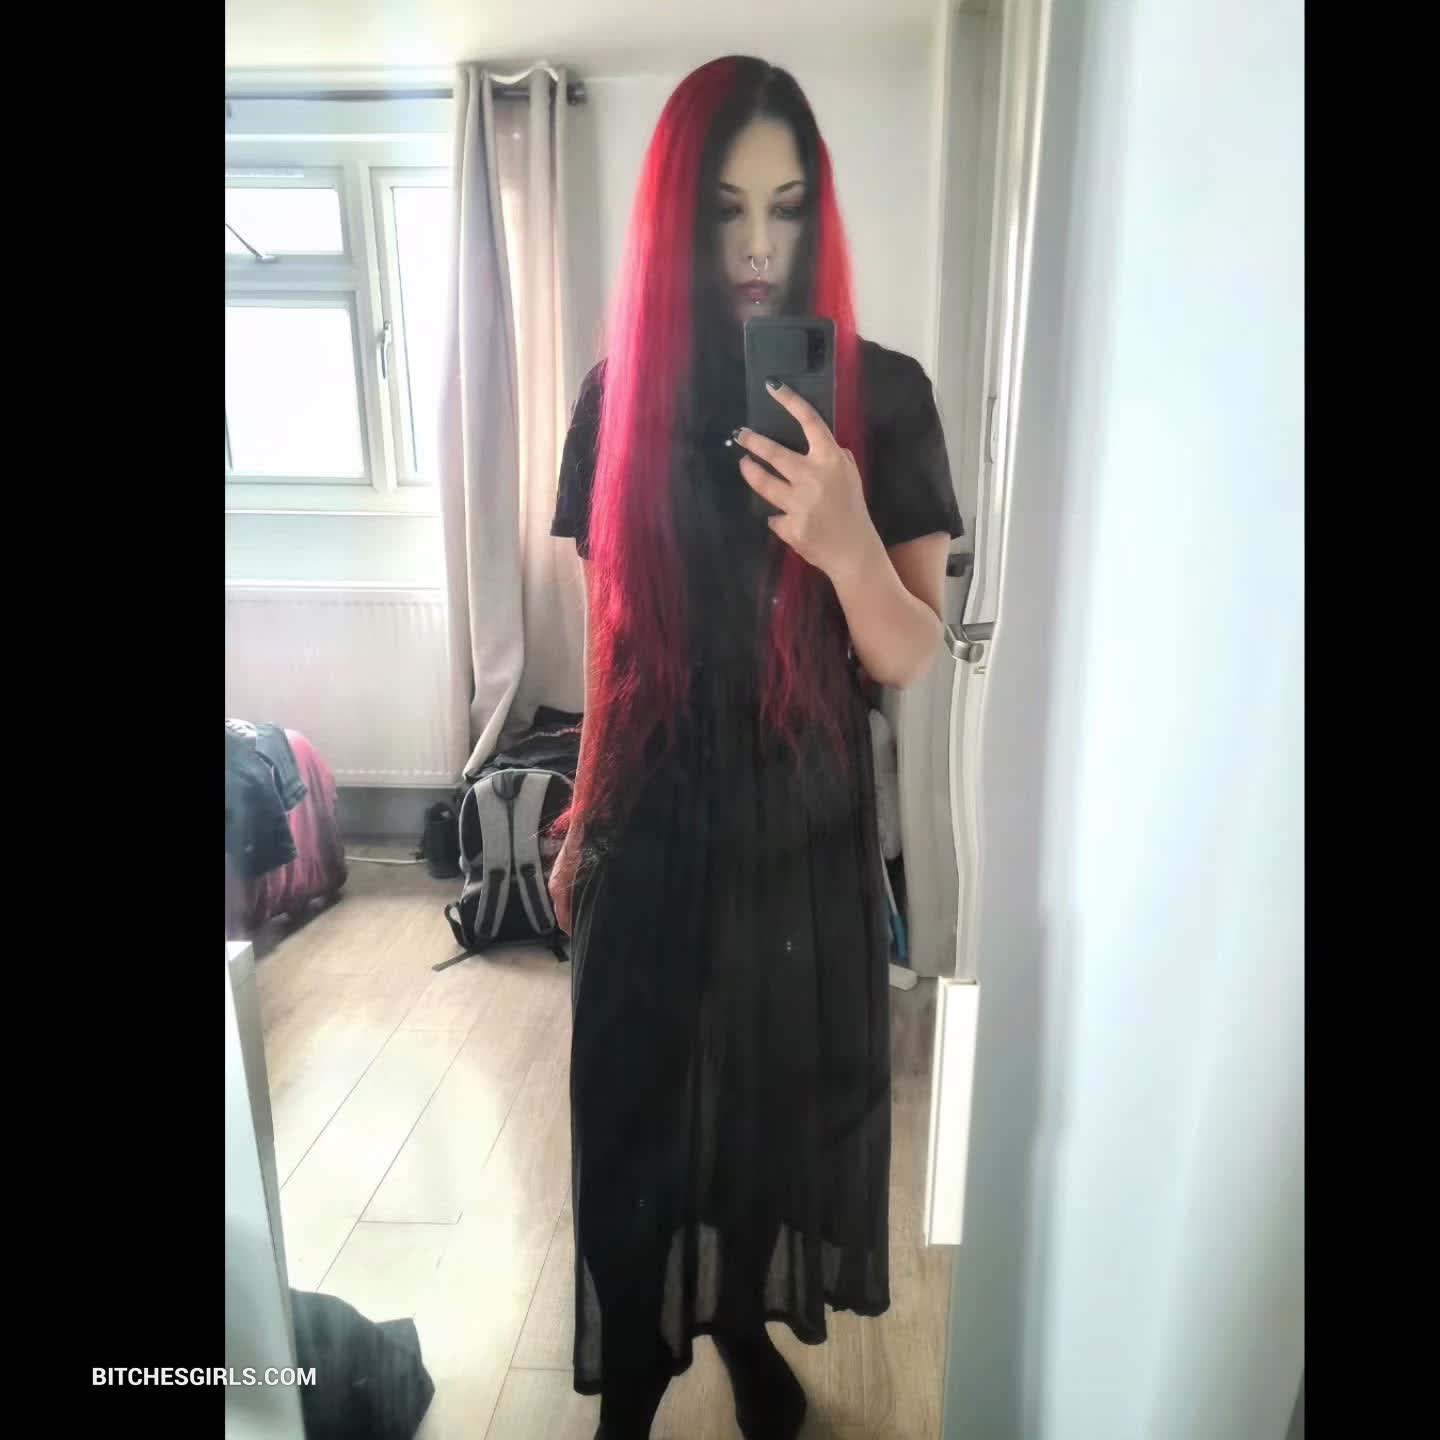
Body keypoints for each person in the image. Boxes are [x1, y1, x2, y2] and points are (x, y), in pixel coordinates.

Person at [548, 56, 963, 1440]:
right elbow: (608, 635)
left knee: (770, 1117)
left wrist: (846, 544)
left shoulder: (885, 398)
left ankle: (735, 1322)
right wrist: (579, 813)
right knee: (634, 1113)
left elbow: (908, 653)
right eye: (724, 209)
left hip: (802, 822)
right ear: (677, 218)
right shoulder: (619, 397)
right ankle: (634, 1379)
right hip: (654, 810)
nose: (756, 248)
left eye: (786, 208)